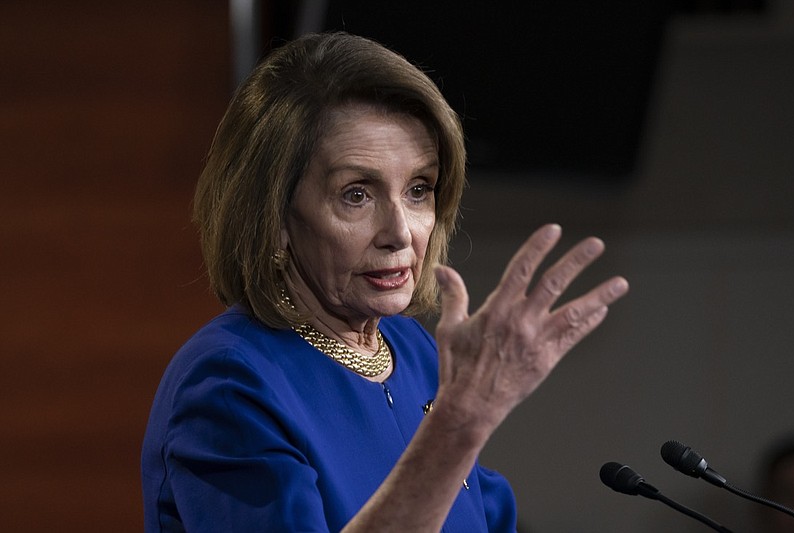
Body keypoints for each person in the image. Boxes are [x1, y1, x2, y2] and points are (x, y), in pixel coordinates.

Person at [141, 31, 629, 532]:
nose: (400, 232)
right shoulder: (229, 386)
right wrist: (459, 427)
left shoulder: (412, 349)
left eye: (419, 190)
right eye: (356, 194)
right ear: (276, 218)